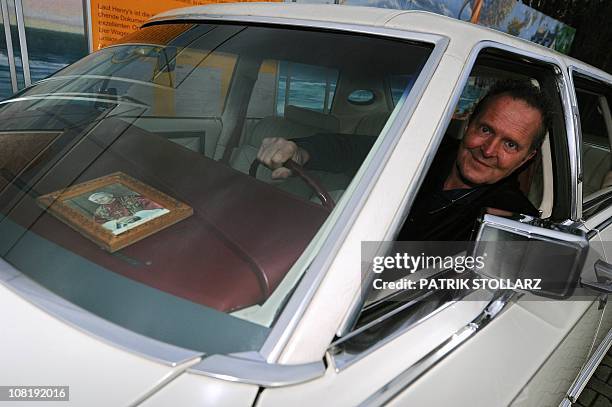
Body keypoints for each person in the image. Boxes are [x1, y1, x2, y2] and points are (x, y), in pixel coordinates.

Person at [256, 80, 552, 241]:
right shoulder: (427, 151)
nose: (488, 150)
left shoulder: (513, 220)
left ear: (527, 158)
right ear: (468, 122)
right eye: (485, 129)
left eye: (510, 144)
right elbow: (352, 148)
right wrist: (301, 151)